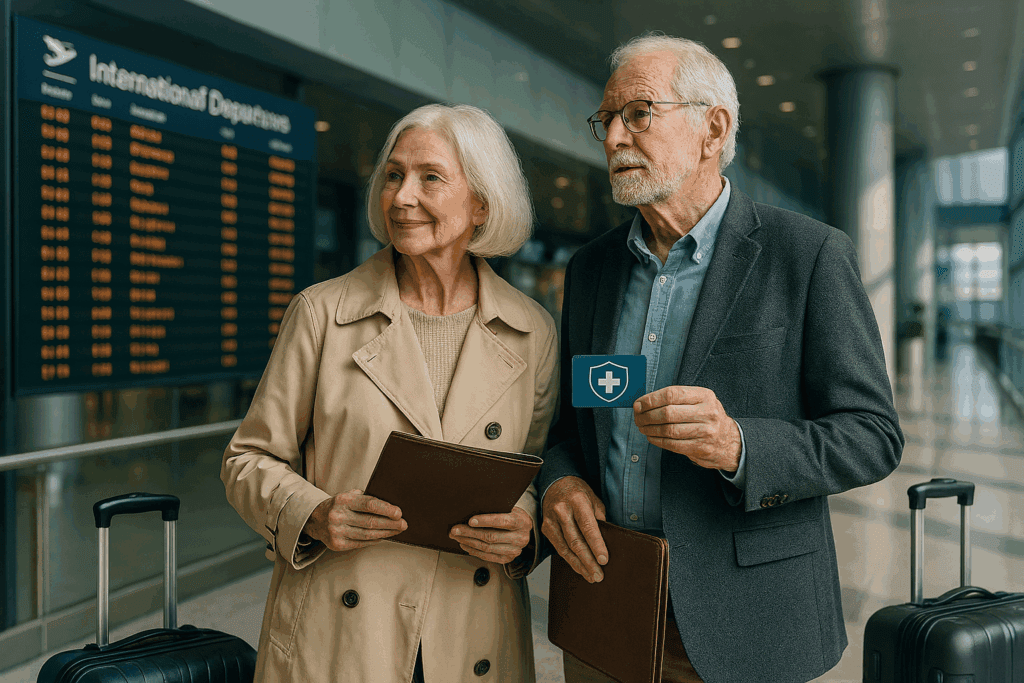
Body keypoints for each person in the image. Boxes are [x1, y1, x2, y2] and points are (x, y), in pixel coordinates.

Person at [537, 34, 904, 683]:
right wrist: (560, 479)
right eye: (606, 119)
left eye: (639, 113)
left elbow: (872, 436)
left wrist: (739, 444)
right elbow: (572, 423)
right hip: (608, 607)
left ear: (713, 129)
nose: (614, 137)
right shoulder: (591, 268)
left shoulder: (808, 255)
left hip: (747, 620)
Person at [221, 103, 558, 683]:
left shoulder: (532, 331)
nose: (402, 197)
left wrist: (524, 521)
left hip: (473, 631)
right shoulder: (320, 313)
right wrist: (315, 512)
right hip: (343, 635)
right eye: (394, 176)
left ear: (482, 201)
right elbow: (246, 461)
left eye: (430, 177)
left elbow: (538, 469)